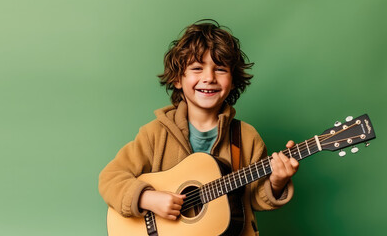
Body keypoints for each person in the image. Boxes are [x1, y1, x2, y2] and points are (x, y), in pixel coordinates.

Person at [98, 19, 299, 235]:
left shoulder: (246, 137)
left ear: (232, 81)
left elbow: (253, 199)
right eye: (196, 68)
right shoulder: (155, 134)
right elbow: (110, 178)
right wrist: (147, 198)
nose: (209, 78)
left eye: (220, 69)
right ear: (177, 79)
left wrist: (277, 182)